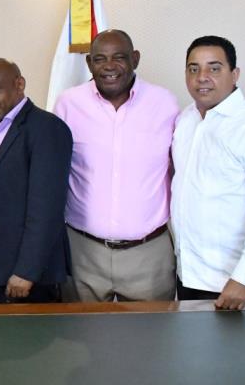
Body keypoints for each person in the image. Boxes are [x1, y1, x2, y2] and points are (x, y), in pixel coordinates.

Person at [54, 30, 178, 302]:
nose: (109, 66)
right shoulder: (68, 104)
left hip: (148, 254)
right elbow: (53, 172)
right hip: (83, 251)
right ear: (89, 63)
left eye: (119, 57)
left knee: (153, 340)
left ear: (135, 58)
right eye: (100, 59)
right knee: (81, 340)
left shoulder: (165, 103)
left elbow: (180, 171)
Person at [171, 35, 245, 310]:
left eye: (214, 68)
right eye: (193, 68)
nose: (202, 77)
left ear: (234, 74)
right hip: (188, 275)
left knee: (237, 354)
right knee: (191, 353)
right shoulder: (185, 120)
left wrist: (244, 278)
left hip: (233, 285)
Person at [0, 58, 72, 303]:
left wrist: (26, 271)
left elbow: (46, 209)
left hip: (26, 275)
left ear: (19, 85)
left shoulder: (45, 128)